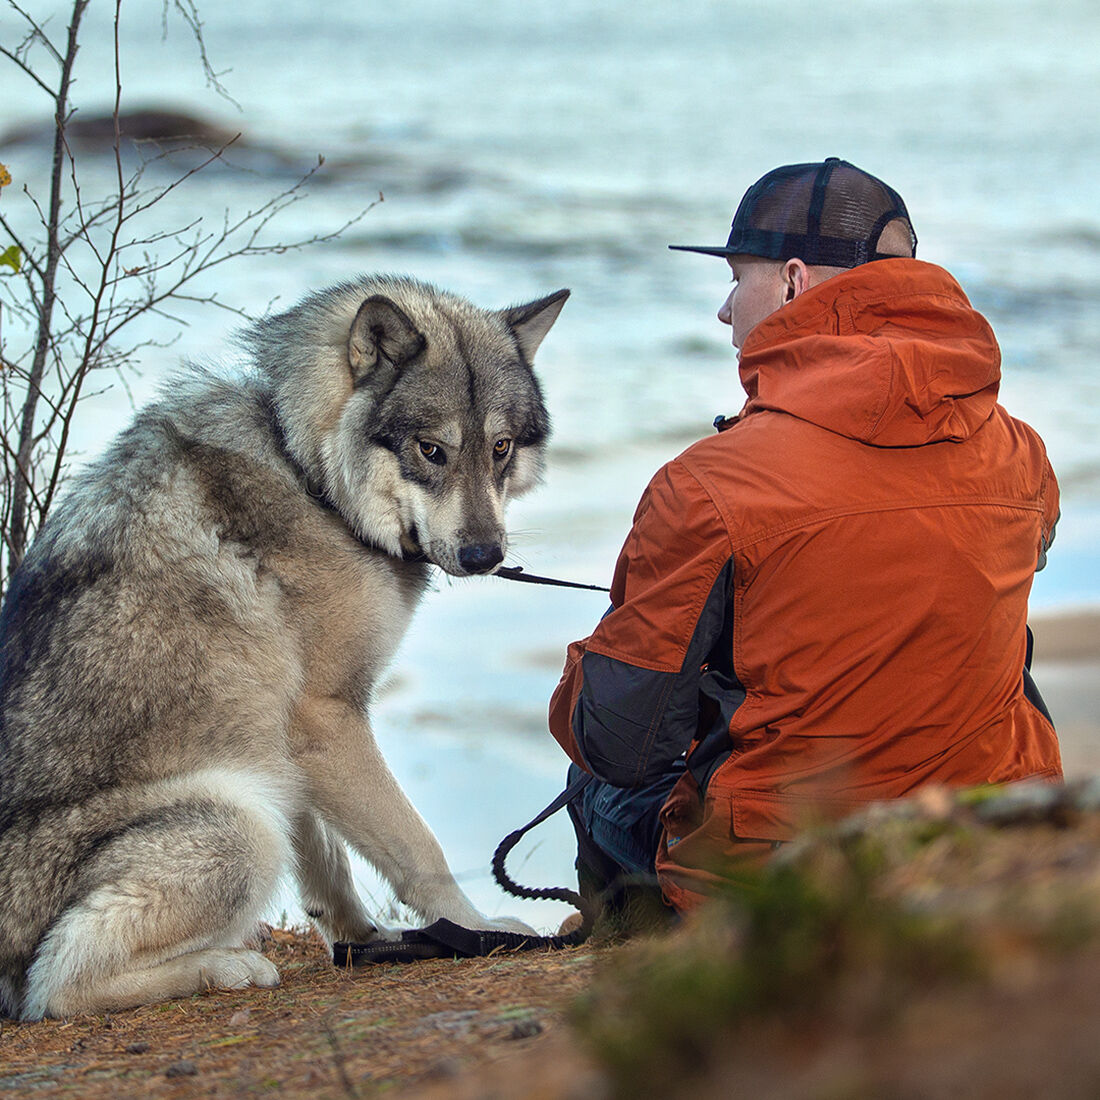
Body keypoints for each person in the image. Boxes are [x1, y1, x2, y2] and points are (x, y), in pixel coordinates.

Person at [548, 157, 1062, 915]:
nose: (726, 311)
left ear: (793, 283)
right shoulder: (1022, 453)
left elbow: (622, 743)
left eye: (737, 279)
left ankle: (639, 955)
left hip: (783, 874)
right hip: (977, 838)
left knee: (596, 785)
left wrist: (590, 672)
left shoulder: (708, 484)